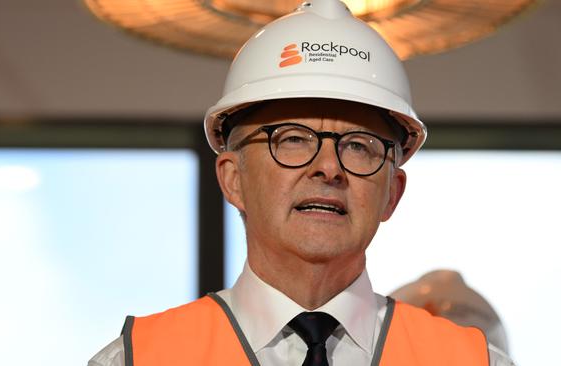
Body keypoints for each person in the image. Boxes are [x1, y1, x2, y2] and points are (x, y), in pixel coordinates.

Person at [89, 0, 516, 365]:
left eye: (358, 146)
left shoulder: (474, 361)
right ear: (233, 179)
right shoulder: (139, 359)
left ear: (392, 192)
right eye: (292, 140)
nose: (328, 168)